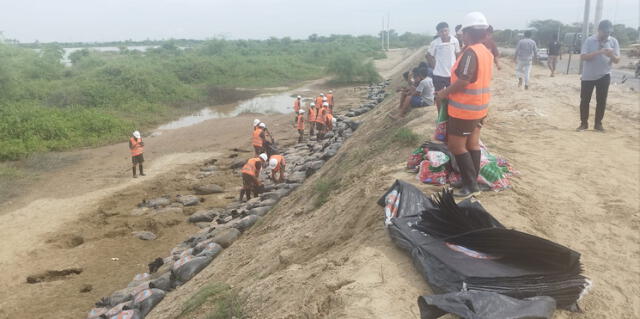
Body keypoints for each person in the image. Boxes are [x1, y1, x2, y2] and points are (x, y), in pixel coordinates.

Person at [436, 12, 493, 198]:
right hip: (480, 107)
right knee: (473, 144)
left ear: (468, 33)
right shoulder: (485, 50)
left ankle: (470, 185)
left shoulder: (471, 52)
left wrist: (444, 92)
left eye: (463, 32)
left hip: (465, 109)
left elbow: (464, 80)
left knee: (456, 146)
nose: (461, 35)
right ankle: (471, 180)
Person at [577, 20, 620, 132]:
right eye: (605, 32)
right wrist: (599, 52)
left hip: (604, 75)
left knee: (601, 100)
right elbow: (583, 57)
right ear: (599, 30)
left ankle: (598, 124)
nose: (606, 34)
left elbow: (617, 60)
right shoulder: (590, 40)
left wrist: (611, 55)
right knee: (585, 100)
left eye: (609, 32)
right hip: (588, 76)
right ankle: (583, 123)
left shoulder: (613, 41)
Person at [427, 22, 462, 98]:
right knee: (439, 95)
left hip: (452, 73)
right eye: (441, 31)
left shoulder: (454, 41)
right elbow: (429, 56)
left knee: (453, 95)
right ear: (438, 33)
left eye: (445, 30)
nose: (444, 33)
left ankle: (451, 109)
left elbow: (458, 54)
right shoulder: (435, 43)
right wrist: (434, 66)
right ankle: (440, 110)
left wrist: (458, 67)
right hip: (439, 74)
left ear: (449, 30)